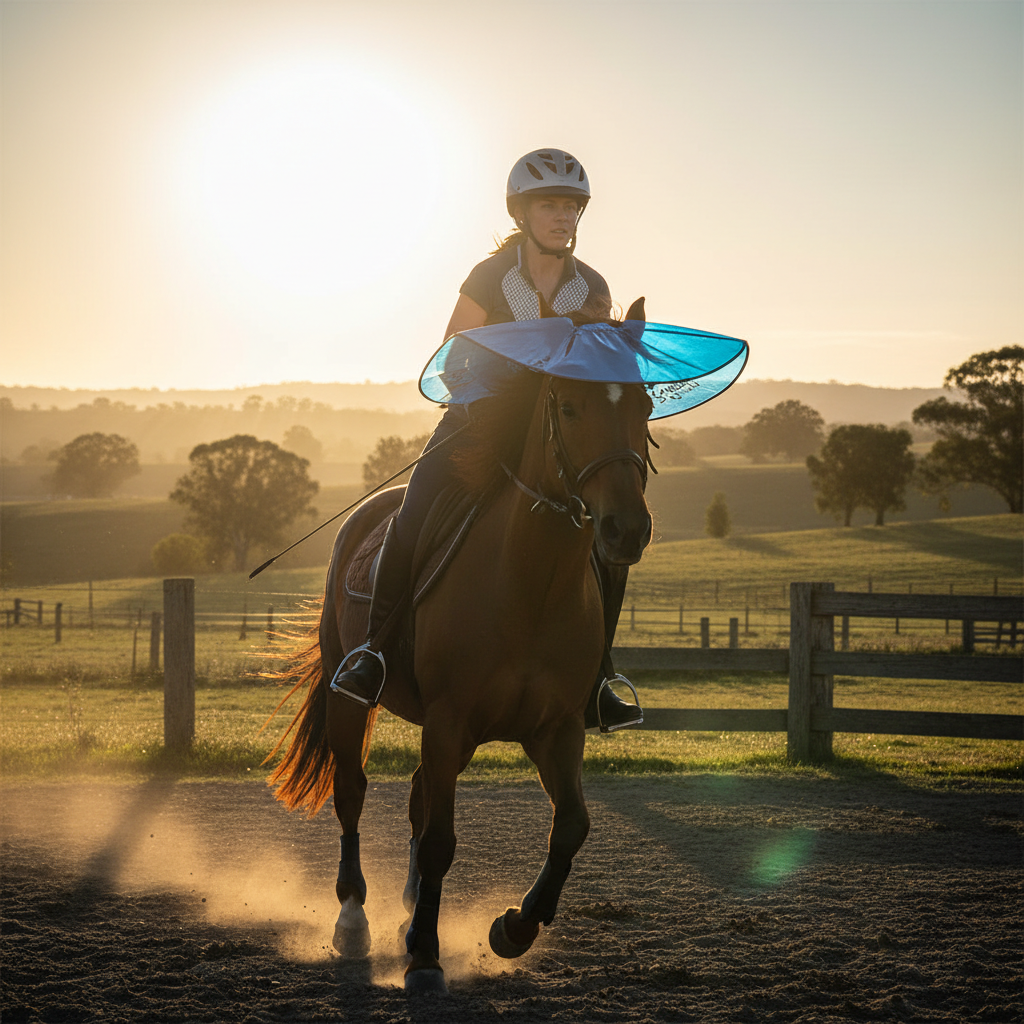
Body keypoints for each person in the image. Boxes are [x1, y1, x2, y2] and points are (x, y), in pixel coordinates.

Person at [333, 147, 643, 731]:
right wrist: (502, 391)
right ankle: (371, 654)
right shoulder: (490, 277)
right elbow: (454, 352)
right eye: (550, 205)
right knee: (414, 512)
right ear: (522, 212)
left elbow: (599, 365)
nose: (563, 216)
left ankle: (598, 675)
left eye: (572, 207)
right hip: (477, 422)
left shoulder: (593, 286)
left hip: (554, 435)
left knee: (605, 535)